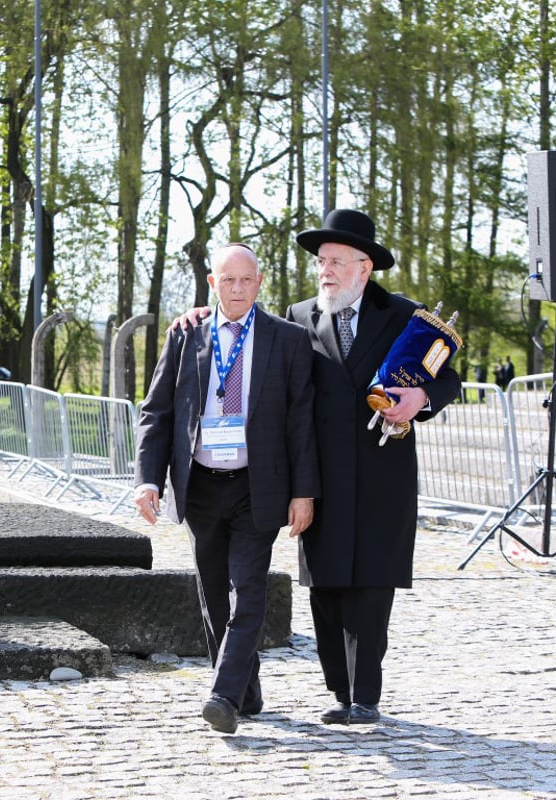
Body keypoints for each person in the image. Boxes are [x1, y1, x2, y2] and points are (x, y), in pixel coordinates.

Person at [175, 209, 462, 726]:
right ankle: (338, 691)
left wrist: (421, 396)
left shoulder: (403, 315)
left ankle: (366, 695)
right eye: (321, 262)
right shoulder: (299, 315)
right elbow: (249, 340)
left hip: (382, 474)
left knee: (371, 585)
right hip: (319, 475)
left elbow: (448, 377)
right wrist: (200, 315)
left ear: (363, 267)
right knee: (326, 584)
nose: (325, 271)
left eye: (336, 261)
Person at [134, 243, 320, 735]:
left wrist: (304, 492)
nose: (237, 289)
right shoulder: (185, 335)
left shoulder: (289, 340)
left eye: (246, 280)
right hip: (199, 486)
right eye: (227, 280)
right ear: (212, 284)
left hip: (257, 486)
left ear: (260, 283)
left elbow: (301, 423)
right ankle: (245, 690)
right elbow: (157, 412)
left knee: (248, 590)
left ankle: (222, 695)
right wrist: (148, 479)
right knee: (213, 593)